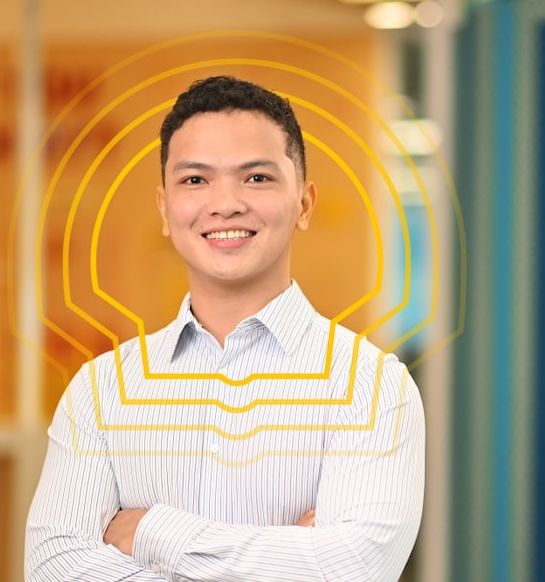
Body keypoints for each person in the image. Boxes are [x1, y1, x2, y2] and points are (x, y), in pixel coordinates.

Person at [25, 76, 425, 581]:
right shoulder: (101, 393)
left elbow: (350, 569)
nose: (226, 203)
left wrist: (150, 531)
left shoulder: (373, 388)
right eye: (195, 180)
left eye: (256, 178)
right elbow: (52, 569)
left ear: (304, 203)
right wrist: (289, 558)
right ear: (166, 210)